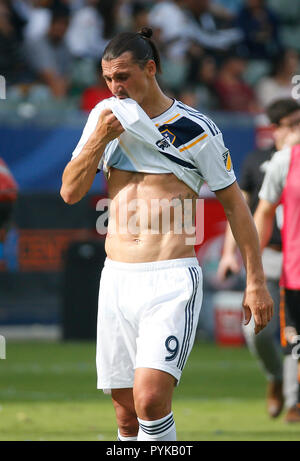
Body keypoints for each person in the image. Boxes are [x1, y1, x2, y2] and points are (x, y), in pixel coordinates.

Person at [60, 28, 273, 441]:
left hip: (170, 278)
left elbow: (236, 206)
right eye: (107, 79)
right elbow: (70, 191)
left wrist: (256, 282)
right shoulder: (104, 118)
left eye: (122, 76)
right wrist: (98, 140)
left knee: (151, 402)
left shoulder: (196, 128)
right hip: (117, 278)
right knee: (125, 417)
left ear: (151, 68)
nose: (115, 88)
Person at [218, 99, 300, 419]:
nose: (297, 130)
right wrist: (230, 254)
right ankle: (276, 378)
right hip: (266, 255)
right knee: (257, 330)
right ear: (276, 129)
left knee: (294, 328)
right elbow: (244, 211)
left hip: (295, 258)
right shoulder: (259, 161)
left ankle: (294, 400)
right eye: (291, 124)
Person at [254, 98, 300, 423]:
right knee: (271, 335)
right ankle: (281, 384)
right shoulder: (283, 161)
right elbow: (259, 213)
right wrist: (249, 267)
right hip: (289, 266)